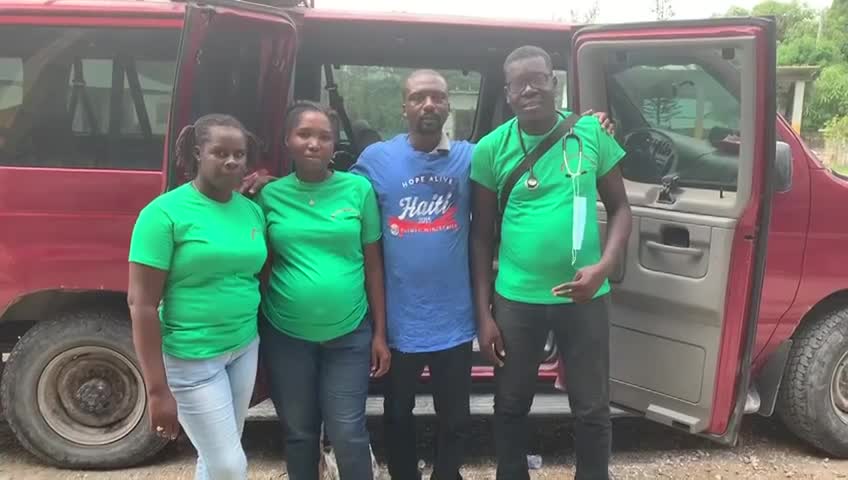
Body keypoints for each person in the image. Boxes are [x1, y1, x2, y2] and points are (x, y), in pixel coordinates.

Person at [470, 45, 632, 480]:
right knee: (510, 404)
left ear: (554, 82)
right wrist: (483, 315)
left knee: (593, 407)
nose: (529, 89)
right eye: (519, 83)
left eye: (538, 79)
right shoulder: (490, 149)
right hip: (516, 300)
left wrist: (604, 266)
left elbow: (620, 209)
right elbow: (481, 236)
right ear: (507, 94)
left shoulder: (592, 134)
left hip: (586, 298)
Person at [350, 69, 476, 480]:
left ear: (447, 106)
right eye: (419, 97)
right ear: (404, 106)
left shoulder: (470, 157)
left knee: (455, 416)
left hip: (455, 320)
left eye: (437, 97)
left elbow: (526, 147)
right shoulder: (376, 160)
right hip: (399, 322)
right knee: (397, 415)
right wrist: (272, 184)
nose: (428, 105)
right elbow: (333, 193)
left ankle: (446, 475)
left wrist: (584, 125)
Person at [255, 100, 391, 480]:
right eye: (304, 134)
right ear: (287, 141)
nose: (314, 143)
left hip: (350, 333)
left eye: (324, 137)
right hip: (286, 335)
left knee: (349, 433)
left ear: (335, 146)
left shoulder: (357, 190)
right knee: (300, 435)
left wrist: (380, 333)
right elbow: (262, 265)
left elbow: (374, 265)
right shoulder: (269, 196)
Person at [127, 114, 266, 480]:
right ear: (197, 153)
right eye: (220, 152)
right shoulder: (163, 214)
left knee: (218, 452)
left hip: (243, 347)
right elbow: (140, 305)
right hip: (192, 359)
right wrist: (157, 391)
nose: (232, 161)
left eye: (239, 154)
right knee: (229, 466)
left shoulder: (250, 209)